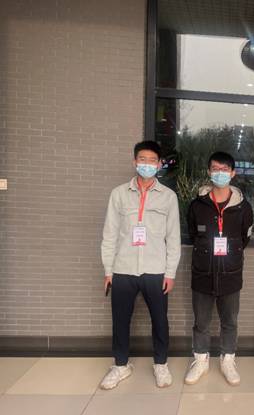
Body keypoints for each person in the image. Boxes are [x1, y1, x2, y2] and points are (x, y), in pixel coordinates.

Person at [100, 141, 181, 390]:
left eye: (152, 160)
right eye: (142, 159)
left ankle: (161, 364)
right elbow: (110, 234)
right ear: (135, 162)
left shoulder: (168, 197)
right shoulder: (118, 194)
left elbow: (173, 238)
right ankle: (121, 365)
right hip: (123, 268)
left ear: (159, 164)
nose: (147, 164)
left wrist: (170, 273)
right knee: (120, 320)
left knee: (160, 320)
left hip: (156, 270)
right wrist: (108, 270)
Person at [184, 151, 253, 386]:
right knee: (201, 322)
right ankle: (200, 361)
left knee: (230, 321)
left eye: (224, 170)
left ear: (233, 173)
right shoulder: (197, 205)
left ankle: (228, 360)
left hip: (230, 275)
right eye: (215, 169)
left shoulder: (243, 207)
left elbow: (244, 238)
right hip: (202, 273)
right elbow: (193, 234)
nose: (220, 173)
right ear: (209, 172)